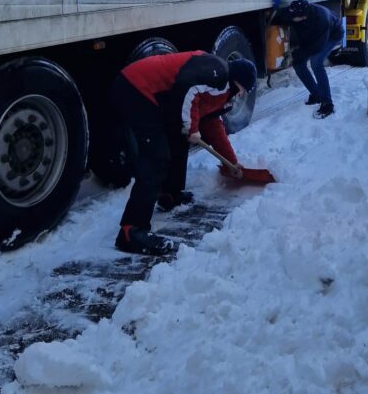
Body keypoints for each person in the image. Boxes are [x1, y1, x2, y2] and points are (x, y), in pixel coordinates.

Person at [110, 50, 258, 255]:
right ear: (236, 81)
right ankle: (131, 232)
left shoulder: (222, 93)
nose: (240, 95)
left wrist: (230, 162)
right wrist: (192, 127)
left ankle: (170, 194)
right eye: (241, 90)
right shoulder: (216, 72)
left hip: (156, 97)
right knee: (156, 158)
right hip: (137, 87)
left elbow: (213, 124)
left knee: (179, 140)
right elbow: (189, 89)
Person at [276, 0, 344, 118]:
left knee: (316, 62)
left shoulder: (320, 20)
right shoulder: (295, 10)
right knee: (298, 63)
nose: (292, 18)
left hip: (332, 34)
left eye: (294, 17)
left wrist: (293, 54)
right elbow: (283, 15)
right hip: (313, 38)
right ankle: (316, 94)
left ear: (303, 17)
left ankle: (327, 104)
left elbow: (315, 47)